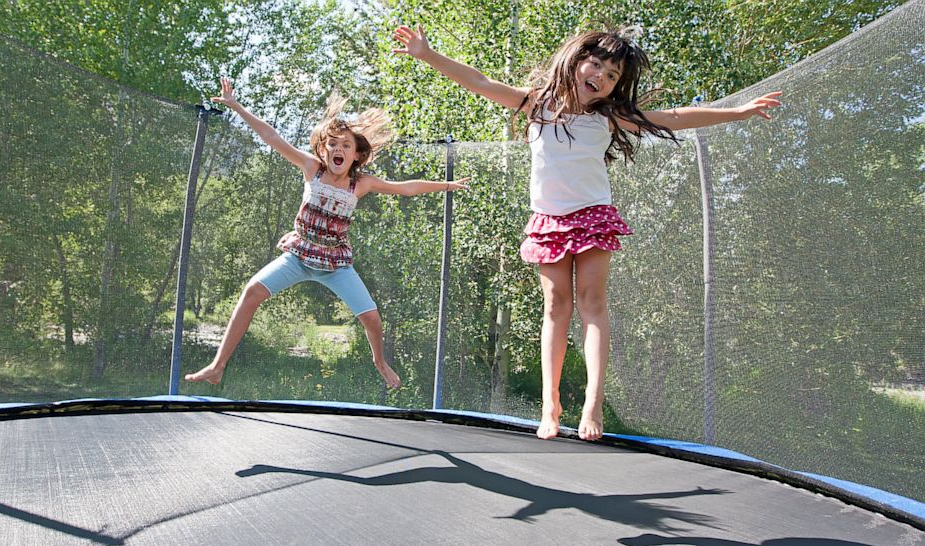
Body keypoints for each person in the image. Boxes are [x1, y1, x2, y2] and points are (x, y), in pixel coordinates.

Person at [392, 24, 781, 440]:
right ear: (577, 61)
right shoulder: (536, 104)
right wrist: (427, 54)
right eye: (596, 65)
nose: (601, 77)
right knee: (556, 307)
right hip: (549, 219)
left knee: (592, 302)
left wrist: (736, 112)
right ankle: (551, 403)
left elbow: (673, 118)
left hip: (592, 215)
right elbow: (480, 81)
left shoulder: (610, 117)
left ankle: (592, 403)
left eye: (612, 75)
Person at [185, 77, 469, 389]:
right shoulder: (312, 168)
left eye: (346, 145)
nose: (338, 149)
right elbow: (272, 137)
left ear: (356, 155)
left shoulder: (360, 184)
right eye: (332, 144)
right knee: (252, 291)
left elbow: (406, 189)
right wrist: (237, 106)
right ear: (323, 148)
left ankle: (379, 361)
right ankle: (217, 365)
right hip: (299, 255)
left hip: (336, 264)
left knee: (372, 318)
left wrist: (447, 185)